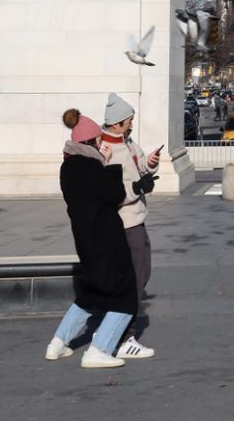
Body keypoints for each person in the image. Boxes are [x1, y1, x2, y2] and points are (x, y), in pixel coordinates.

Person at [46, 113, 142, 369]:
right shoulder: (92, 167)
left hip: (85, 240)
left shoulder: (67, 167)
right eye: (99, 141)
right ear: (89, 141)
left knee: (90, 294)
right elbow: (115, 194)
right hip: (106, 240)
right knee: (125, 296)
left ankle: (58, 343)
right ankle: (99, 350)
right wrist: (109, 164)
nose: (102, 145)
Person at [99, 93, 158, 361]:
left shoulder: (128, 142)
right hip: (125, 221)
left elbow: (139, 165)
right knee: (134, 278)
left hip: (138, 217)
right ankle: (124, 335)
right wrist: (136, 188)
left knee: (143, 273)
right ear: (117, 123)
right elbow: (110, 189)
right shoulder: (106, 150)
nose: (132, 123)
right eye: (129, 120)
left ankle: (117, 331)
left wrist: (149, 165)